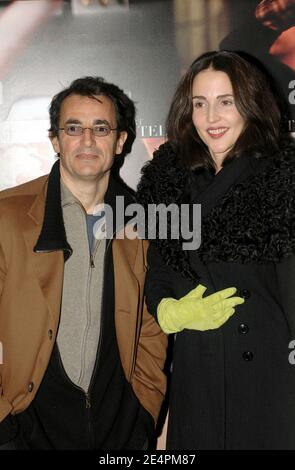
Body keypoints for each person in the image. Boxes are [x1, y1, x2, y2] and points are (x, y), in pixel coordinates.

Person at [137, 50, 295, 449]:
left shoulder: (282, 176)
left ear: (250, 104)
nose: (212, 118)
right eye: (200, 104)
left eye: (226, 102)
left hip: (271, 376)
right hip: (199, 370)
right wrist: (168, 311)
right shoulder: (166, 179)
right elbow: (156, 272)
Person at [0, 76, 167, 450]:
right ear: (55, 140)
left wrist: (144, 410)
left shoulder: (143, 221)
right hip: (23, 428)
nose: (88, 140)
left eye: (101, 128)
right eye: (74, 128)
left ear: (120, 140)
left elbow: (152, 326)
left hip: (120, 432)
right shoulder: (6, 216)